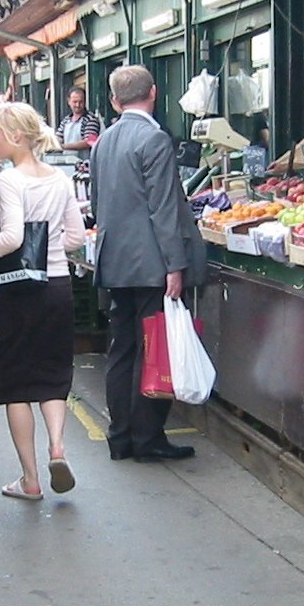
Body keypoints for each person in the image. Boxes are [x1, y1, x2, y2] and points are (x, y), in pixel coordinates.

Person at [0, 103, 86, 501]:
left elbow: (10, 239)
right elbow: (76, 238)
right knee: (52, 374)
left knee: (16, 384)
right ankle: (57, 447)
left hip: (20, 290)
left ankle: (30, 480)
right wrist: (54, 247)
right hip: (58, 288)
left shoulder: (11, 180)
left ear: (14, 136)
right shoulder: (60, 180)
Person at [90, 64, 208, 464]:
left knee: (121, 348)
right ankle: (147, 437)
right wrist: (175, 265)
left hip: (114, 261)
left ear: (113, 100)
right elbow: (163, 209)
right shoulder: (154, 139)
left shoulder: (102, 141)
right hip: (150, 262)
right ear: (154, 93)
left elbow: (97, 203)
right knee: (154, 348)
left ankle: (119, 436)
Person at [57, 87, 102, 159]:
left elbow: (89, 142)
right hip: (67, 163)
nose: (77, 105)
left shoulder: (91, 119)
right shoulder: (66, 120)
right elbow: (59, 137)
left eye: (81, 102)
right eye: (75, 102)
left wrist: (62, 146)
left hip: (85, 164)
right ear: (69, 101)